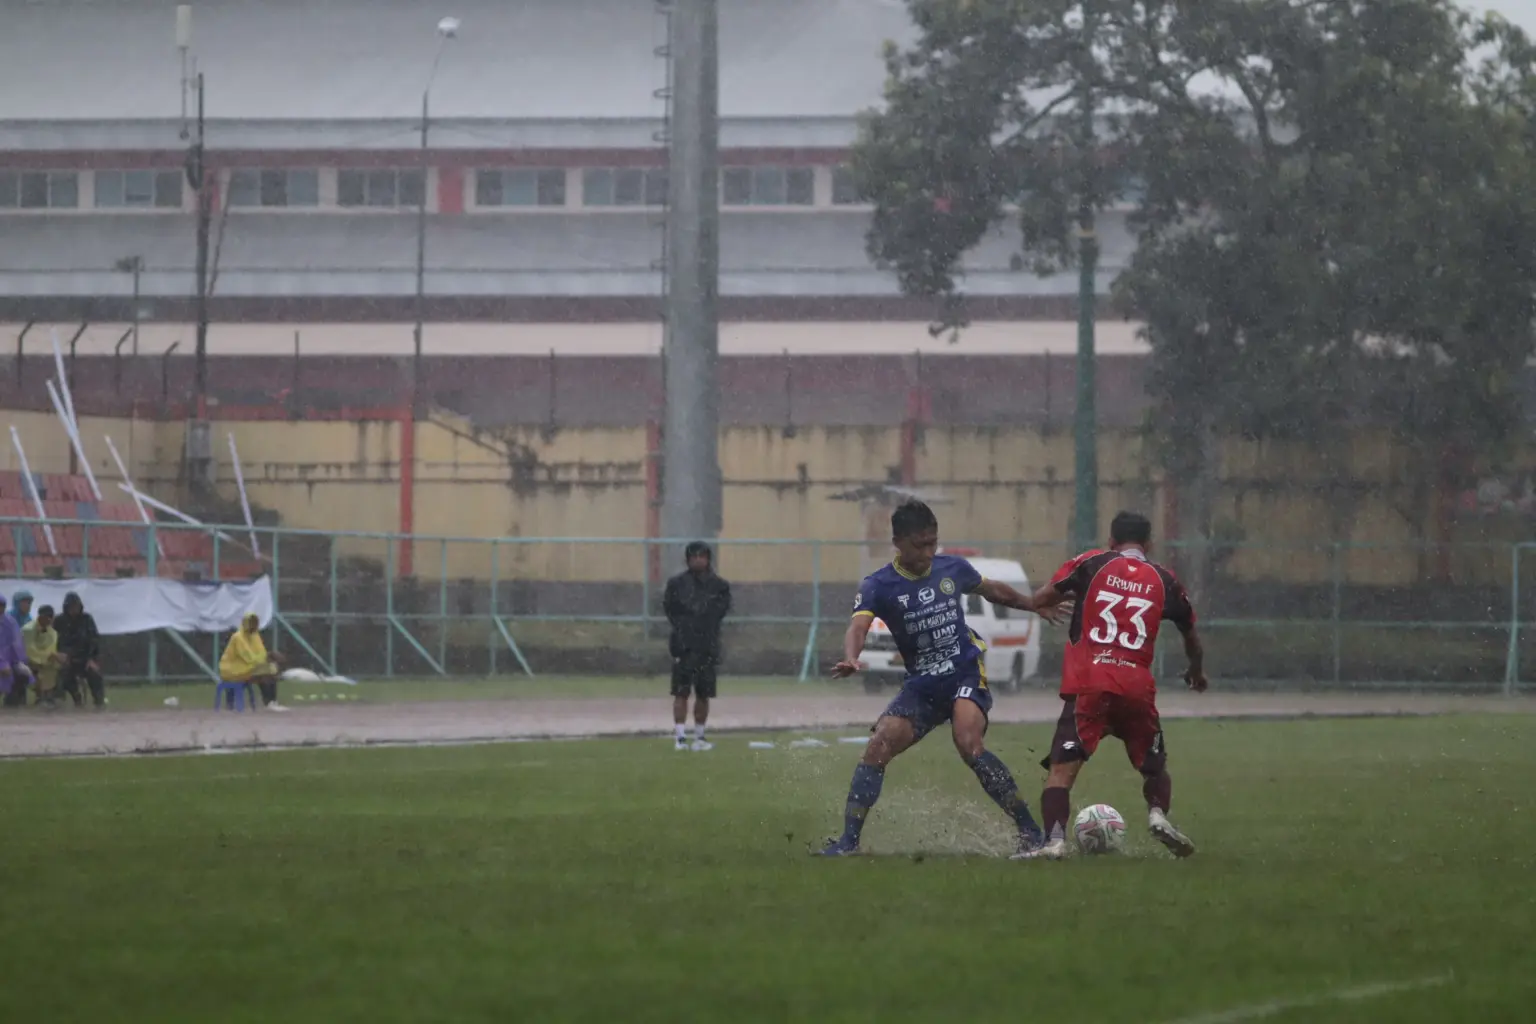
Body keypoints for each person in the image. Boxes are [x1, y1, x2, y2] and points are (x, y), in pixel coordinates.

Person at [819, 499, 1060, 857]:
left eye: (933, 542)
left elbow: (991, 589)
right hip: (922, 686)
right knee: (878, 746)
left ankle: (1029, 832)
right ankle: (848, 843)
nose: (930, 552)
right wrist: (852, 657)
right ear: (898, 542)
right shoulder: (879, 585)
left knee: (968, 743)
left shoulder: (952, 568)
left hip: (963, 670)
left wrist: (1031, 603)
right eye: (921, 544)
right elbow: (859, 625)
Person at [1015, 510, 1207, 861]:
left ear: (1111, 541)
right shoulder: (1164, 579)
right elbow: (1191, 635)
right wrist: (1196, 671)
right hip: (1136, 684)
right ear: (1148, 544)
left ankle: (1055, 841)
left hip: (1092, 683)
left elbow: (1043, 597)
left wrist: (1048, 604)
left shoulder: (1092, 562)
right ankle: (1157, 815)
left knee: (1061, 770)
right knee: (1154, 766)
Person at [663, 541, 731, 751]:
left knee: (704, 693)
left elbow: (719, 612)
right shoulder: (676, 584)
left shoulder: (719, 586)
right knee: (681, 692)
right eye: (694, 556)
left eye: (702, 556)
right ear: (688, 559)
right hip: (683, 646)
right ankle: (680, 737)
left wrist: (702, 622)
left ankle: (700, 736)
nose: (698, 560)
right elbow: (671, 610)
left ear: (708, 559)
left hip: (707, 646)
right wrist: (686, 627)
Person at [219, 613, 290, 712]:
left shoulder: (255, 636)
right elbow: (248, 657)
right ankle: (269, 702)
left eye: (255, 623)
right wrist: (268, 657)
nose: (254, 625)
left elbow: (261, 653)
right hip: (232, 669)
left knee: (271, 670)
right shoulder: (238, 637)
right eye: (251, 623)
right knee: (264, 674)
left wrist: (270, 656)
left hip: (246, 667)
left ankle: (272, 701)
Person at [54, 591, 105, 709]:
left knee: (94, 673)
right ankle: (72, 697)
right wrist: (60, 655)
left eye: (76, 606)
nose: (74, 609)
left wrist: (92, 658)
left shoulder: (87, 619)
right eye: (71, 606)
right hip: (66, 658)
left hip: (85, 658)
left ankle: (99, 701)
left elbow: (94, 640)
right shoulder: (59, 621)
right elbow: (55, 641)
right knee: (63, 672)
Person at [23, 604, 62, 709]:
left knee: (56, 665)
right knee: (36, 668)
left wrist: (54, 657)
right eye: (46, 617)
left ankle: (50, 697)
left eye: (50, 617)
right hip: (25, 660)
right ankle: (41, 697)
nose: (48, 620)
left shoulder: (52, 632)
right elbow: (29, 650)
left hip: (44, 661)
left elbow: (51, 648)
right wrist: (45, 658)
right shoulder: (28, 629)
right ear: (40, 616)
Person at [0, 595, 33, 709]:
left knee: (23, 674)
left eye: (2, 606)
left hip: (10, 661)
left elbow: (17, 644)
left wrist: (21, 661)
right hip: (2, 663)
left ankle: (11, 705)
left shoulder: (10, 622)